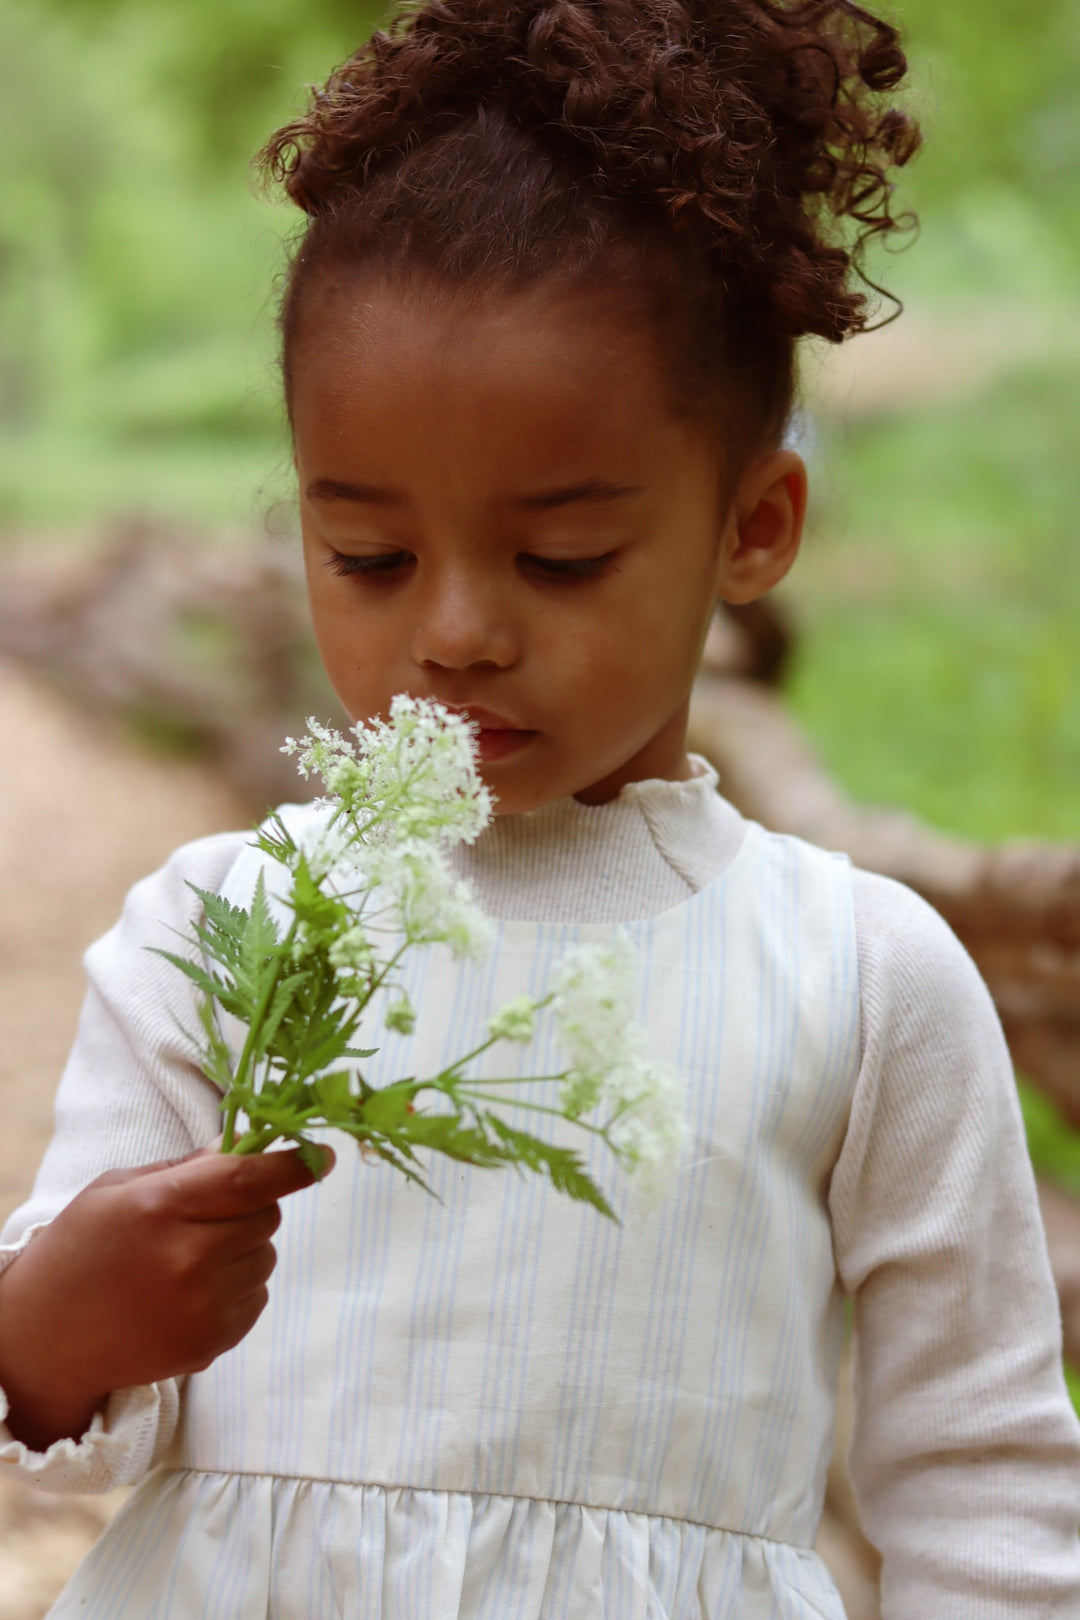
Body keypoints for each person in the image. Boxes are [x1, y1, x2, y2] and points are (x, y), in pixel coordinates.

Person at [1, 1, 1078, 1614]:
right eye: (367, 556)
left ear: (755, 527)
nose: (454, 632)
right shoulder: (229, 931)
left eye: (562, 558)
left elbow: (986, 1479)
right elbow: (69, 1427)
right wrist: (43, 1337)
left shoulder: (864, 977)